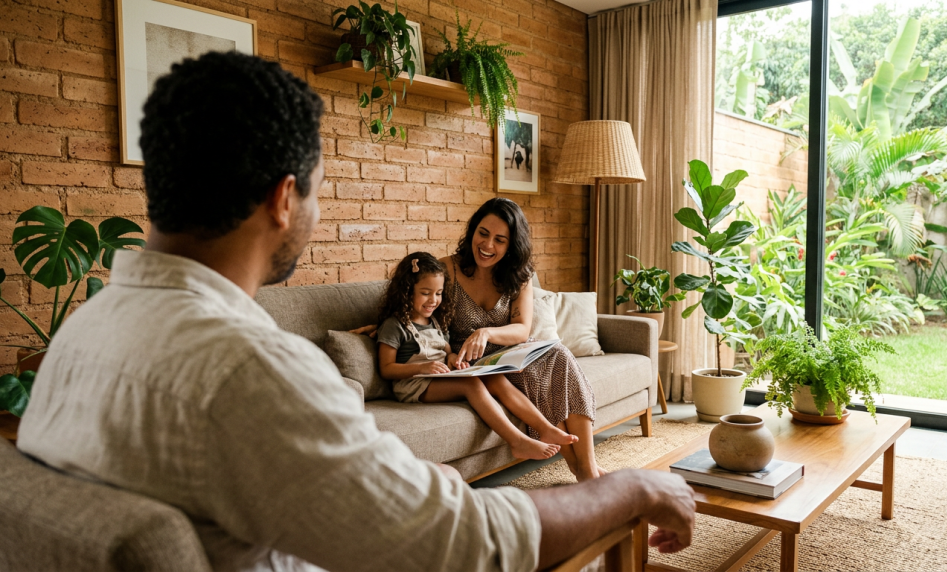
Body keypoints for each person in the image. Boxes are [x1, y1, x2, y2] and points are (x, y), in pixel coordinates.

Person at [16, 51, 696, 572]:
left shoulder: (80, 333)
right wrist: (631, 489)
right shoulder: (249, 370)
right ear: (285, 199)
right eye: (317, 191)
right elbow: (464, 544)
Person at [443, 198, 607, 482]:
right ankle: (584, 473)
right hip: (472, 366)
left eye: (500, 240)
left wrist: (486, 332)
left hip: (510, 355)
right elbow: (425, 317)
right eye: (483, 233)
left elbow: (521, 328)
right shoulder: (447, 270)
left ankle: (586, 468)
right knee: (538, 378)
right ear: (472, 231)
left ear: (511, 245)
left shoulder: (519, 275)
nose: (488, 245)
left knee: (559, 356)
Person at [376, 252, 577, 461]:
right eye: (426, 293)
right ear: (407, 291)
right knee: (471, 385)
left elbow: (446, 351)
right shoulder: (395, 325)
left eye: (438, 293)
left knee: (495, 378)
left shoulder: (435, 322)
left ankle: (545, 428)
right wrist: (421, 368)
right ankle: (517, 442)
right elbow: (386, 368)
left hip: (439, 376)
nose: (433, 300)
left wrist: (454, 359)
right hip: (413, 384)